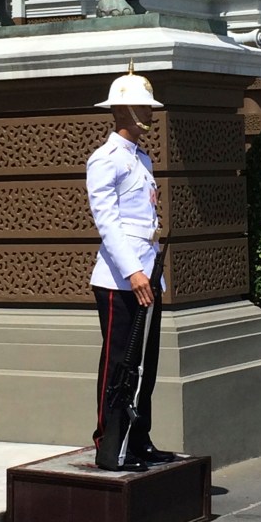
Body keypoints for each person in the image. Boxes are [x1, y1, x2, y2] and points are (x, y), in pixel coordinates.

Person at [86, 62, 175, 472]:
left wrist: (149, 272)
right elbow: (108, 223)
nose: (151, 114)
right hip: (121, 280)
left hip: (146, 275)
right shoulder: (106, 159)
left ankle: (138, 441)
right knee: (118, 366)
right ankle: (110, 446)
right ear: (123, 112)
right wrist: (133, 273)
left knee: (145, 365)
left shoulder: (141, 158)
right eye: (143, 107)